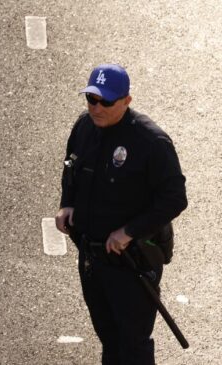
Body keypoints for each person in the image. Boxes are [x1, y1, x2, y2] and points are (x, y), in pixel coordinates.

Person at [56, 63, 187, 364]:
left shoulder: (151, 142)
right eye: (91, 99)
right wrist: (67, 203)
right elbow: (70, 168)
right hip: (92, 257)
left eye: (106, 102)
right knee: (109, 338)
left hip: (131, 264)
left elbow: (175, 198)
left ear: (126, 101)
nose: (96, 108)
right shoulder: (84, 127)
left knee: (134, 345)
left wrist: (129, 232)